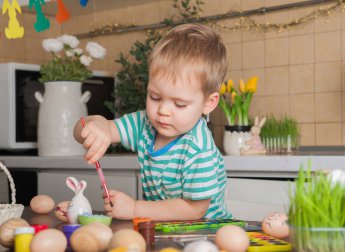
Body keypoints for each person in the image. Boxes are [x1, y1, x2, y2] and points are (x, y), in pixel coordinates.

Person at [73, 23, 231, 221]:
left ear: (209, 103)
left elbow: (194, 210)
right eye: (155, 97)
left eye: (179, 104)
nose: (163, 110)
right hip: (165, 232)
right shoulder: (144, 124)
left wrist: (134, 209)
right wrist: (97, 126)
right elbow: (81, 130)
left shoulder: (199, 148)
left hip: (208, 233)